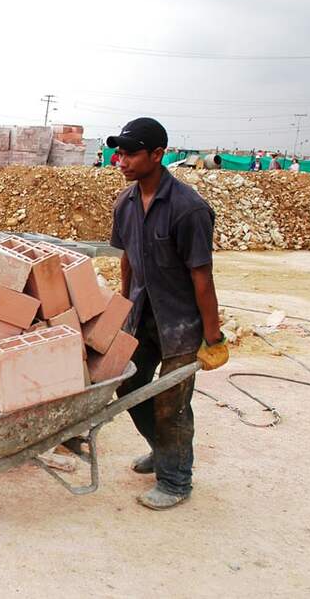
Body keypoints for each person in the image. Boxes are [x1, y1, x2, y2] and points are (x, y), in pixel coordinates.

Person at [107, 117, 229, 510]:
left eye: (130, 153)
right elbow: (127, 259)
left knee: (171, 402)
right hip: (142, 314)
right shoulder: (124, 203)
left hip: (181, 323)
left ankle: (176, 480)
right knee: (129, 385)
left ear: (158, 155)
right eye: (119, 152)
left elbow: (202, 277)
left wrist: (214, 337)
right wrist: (123, 306)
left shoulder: (188, 209)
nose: (120, 160)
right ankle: (163, 451)